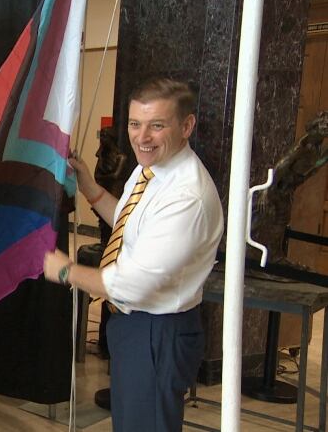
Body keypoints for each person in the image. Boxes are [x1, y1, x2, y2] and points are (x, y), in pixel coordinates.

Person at [43, 77, 224, 431]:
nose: (142, 138)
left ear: (187, 126)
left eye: (157, 126)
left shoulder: (186, 196)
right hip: (135, 326)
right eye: (135, 124)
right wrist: (90, 187)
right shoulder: (150, 170)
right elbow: (132, 223)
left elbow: (133, 284)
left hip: (158, 331)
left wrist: (66, 270)